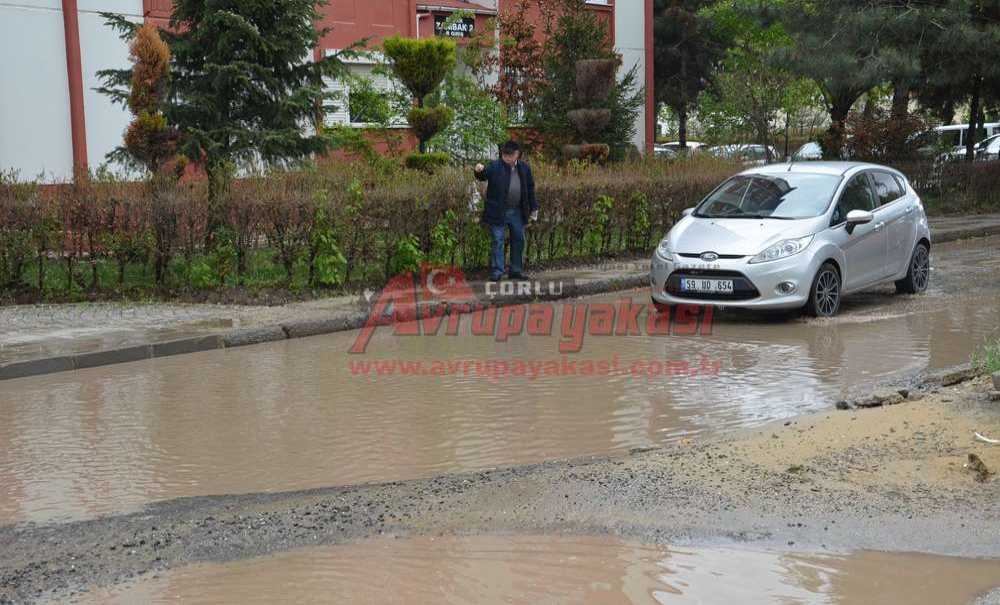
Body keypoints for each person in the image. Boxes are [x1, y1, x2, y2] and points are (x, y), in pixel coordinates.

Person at [474, 140, 538, 281]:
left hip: (517, 211)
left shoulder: (524, 168)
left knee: (519, 239)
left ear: (517, 155)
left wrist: (534, 208)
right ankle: (497, 272)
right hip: (498, 211)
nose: (507, 158)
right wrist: (478, 170)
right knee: (498, 240)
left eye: (510, 155)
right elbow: (483, 174)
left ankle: (516, 270)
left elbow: (530, 188)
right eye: (505, 155)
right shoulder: (495, 166)